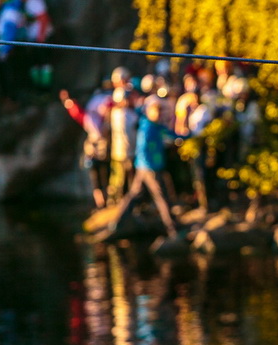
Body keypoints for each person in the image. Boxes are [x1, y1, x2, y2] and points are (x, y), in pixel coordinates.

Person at [105, 99, 189, 239]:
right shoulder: (148, 127)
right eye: (157, 112)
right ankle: (173, 229)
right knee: (161, 197)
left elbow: (172, 135)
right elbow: (143, 148)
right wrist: (152, 165)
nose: (160, 115)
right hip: (150, 168)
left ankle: (117, 224)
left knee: (134, 195)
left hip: (144, 167)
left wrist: (188, 135)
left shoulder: (154, 125)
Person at [60, 85, 112, 209]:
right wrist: (68, 102)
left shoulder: (102, 118)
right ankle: (101, 203)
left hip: (104, 151)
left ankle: (106, 201)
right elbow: (77, 112)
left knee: (105, 175)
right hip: (96, 151)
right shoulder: (90, 118)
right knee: (96, 177)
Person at [8, 0, 53, 89]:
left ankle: (45, 88)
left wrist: (41, 38)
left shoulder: (35, 1)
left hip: (41, 38)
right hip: (31, 38)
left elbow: (44, 19)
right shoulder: (20, 2)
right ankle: (37, 87)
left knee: (43, 63)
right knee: (34, 63)